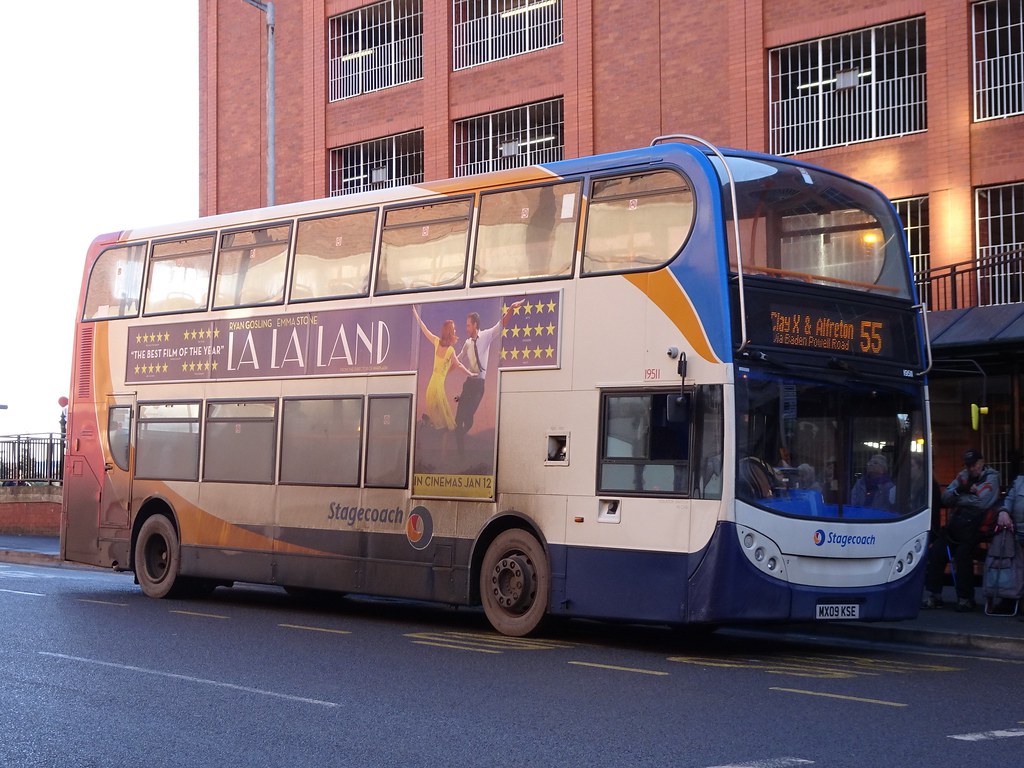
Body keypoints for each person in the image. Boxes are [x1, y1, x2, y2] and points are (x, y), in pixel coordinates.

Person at [922, 449, 1001, 611]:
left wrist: (958, 497)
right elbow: (945, 497)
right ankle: (934, 595)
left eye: (974, 464)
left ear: (981, 462)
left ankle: (966, 598)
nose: (971, 468)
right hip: (957, 527)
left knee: (963, 554)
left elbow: (981, 502)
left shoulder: (991, 478)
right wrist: (962, 491)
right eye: (968, 465)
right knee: (937, 551)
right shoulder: (962, 476)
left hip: (978, 528)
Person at [453, 299, 523, 451]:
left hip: (479, 386)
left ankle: (462, 434)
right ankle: (460, 450)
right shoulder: (467, 343)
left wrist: (511, 308)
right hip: (469, 384)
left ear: (475, 325)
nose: (466, 328)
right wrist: (447, 363)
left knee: (468, 417)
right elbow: (458, 358)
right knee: (458, 419)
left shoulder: (486, 336)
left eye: (468, 325)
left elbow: (501, 324)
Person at [413, 306, 469, 432]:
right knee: (443, 418)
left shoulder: (437, 342)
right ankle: (429, 423)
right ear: (450, 332)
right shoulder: (450, 350)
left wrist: (416, 315)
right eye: (454, 329)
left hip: (432, 384)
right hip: (438, 386)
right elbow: (458, 365)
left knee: (437, 412)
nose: (455, 331)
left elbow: (424, 329)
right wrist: (470, 373)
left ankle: (428, 422)